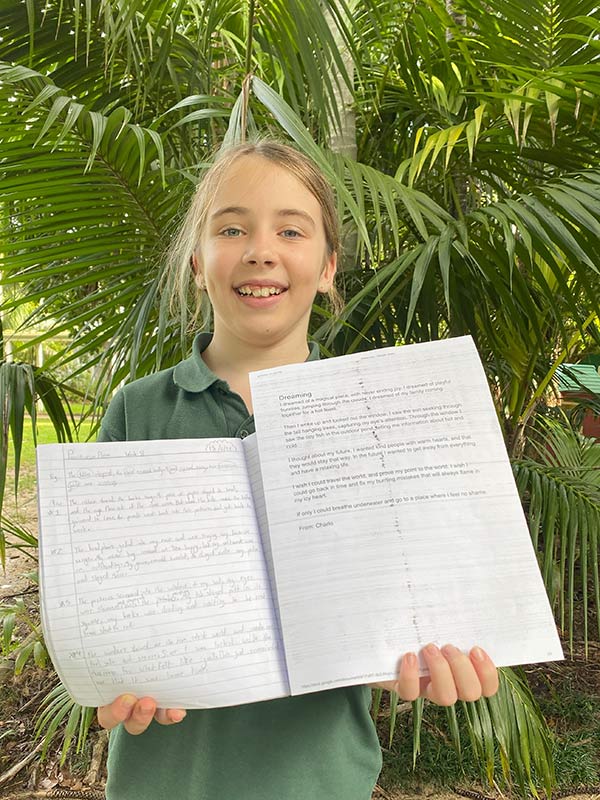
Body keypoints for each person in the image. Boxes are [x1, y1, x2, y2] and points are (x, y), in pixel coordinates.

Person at [96, 140, 499, 800]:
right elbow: (105, 613)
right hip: (160, 784)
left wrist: (425, 656)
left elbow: (393, 611)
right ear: (199, 263)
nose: (261, 248)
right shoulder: (136, 413)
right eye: (232, 228)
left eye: (290, 229)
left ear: (327, 266)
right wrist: (106, 680)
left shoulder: (376, 417)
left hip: (321, 784)